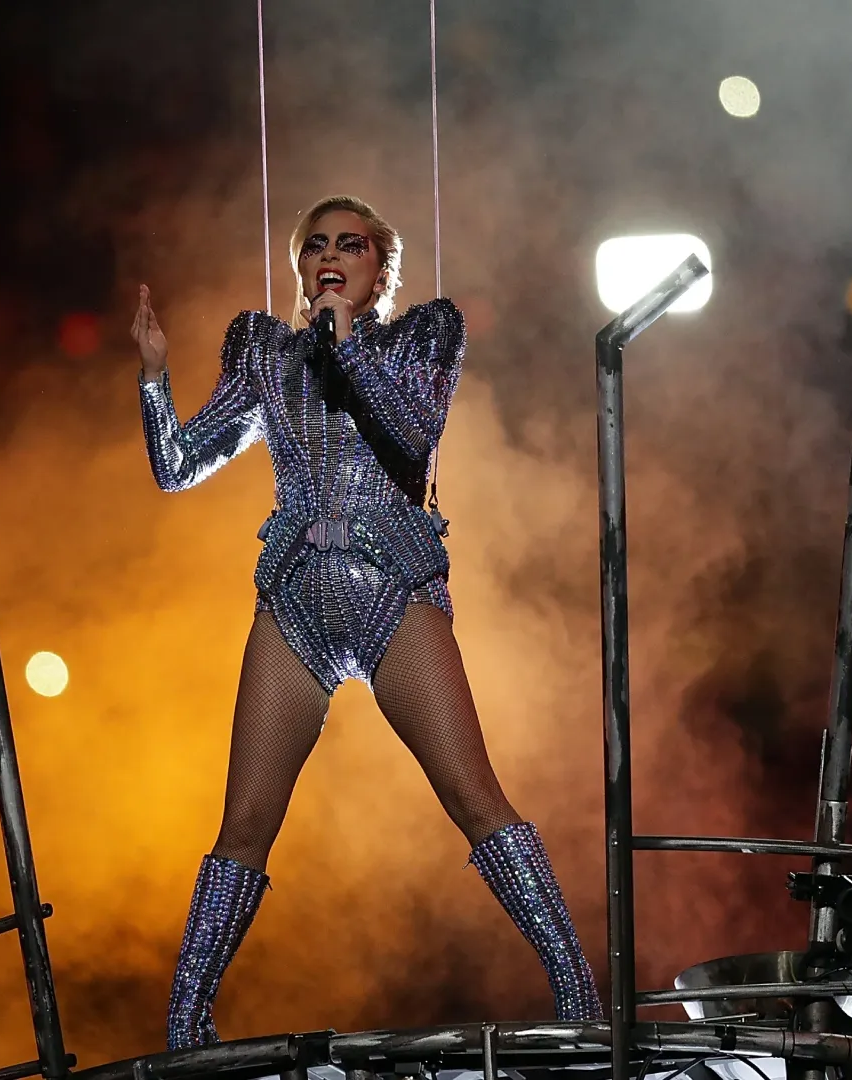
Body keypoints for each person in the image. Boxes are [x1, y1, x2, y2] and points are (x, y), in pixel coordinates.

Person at [131, 195, 599, 1049]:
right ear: (298, 267)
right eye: (315, 246)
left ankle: (580, 1000)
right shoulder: (264, 349)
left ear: (381, 268)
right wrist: (154, 376)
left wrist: (346, 337)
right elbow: (175, 466)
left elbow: (412, 429)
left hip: (392, 587)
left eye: (351, 245)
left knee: (472, 795)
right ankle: (185, 1033)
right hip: (296, 598)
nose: (329, 255)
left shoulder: (424, 335)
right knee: (243, 824)